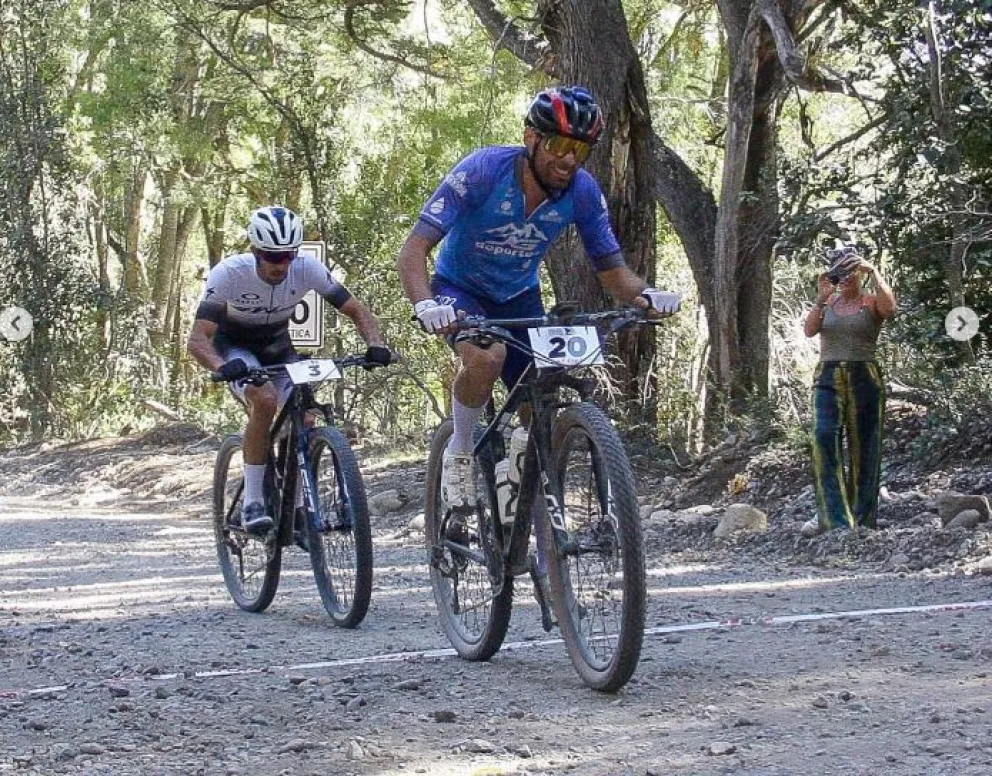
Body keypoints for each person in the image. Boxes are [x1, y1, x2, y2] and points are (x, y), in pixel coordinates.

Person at [396, 86, 681, 509]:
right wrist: (425, 305)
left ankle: (526, 489)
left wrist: (649, 295)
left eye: (580, 151)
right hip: (460, 290)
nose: (568, 159)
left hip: (518, 296)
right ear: (531, 138)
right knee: (486, 357)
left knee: (539, 395)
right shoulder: (483, 171)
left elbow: (616, 275)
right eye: (560, 144)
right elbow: (414, 249)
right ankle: (459, 450)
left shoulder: (582, 192)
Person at [188, 206, 391, 533]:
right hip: (236, 348)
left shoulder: (307, 268)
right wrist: (223, 366)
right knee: (264, 401)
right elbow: (198, 339)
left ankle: (295, 506)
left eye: (287, 256)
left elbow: (356, 310)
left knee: (306, 416)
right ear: (255, 250)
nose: (280, 265)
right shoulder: (229, 274)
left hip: (280, 347)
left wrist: (376, 345)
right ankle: (253, 502)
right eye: (271, 256)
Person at [802, 245, 897, 537]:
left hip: (863, 374)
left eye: (848, 271)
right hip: (828, 374)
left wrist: (874, 271)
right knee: (822, 435)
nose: (844, 278)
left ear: (858, 272)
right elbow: (809, 330)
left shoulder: (871, 302)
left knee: (865, 445)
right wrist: (821, 296)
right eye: (838, 272)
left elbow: (890, 309)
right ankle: (834, 518)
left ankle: (862, 520)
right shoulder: (828, 304)